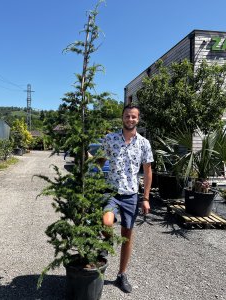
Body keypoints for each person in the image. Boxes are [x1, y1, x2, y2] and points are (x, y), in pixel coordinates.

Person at [101, 104, 153, 293]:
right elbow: (101, 160)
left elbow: (148, 172)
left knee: (127, 236)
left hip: (131, 195)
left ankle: (121, 275)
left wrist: (145, 198)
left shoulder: (144, 143)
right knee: (106, 221)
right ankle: (105, 245)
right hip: (112, 192)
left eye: (133, 117)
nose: (130, 119)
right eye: (127, 116)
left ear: (138, 119)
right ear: (122, 118)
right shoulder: (110, 139)